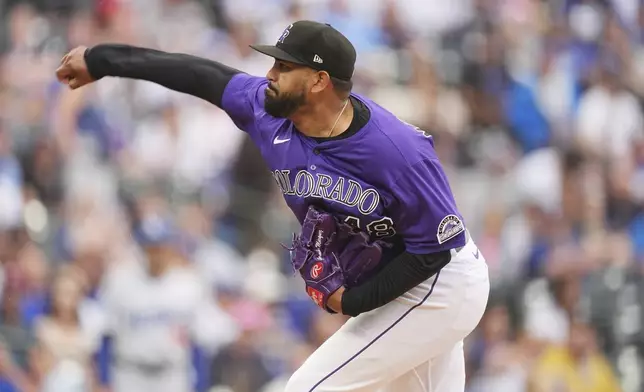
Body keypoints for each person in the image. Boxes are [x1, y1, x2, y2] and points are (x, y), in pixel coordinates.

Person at [56, 20, 490, 392]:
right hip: (406, 281)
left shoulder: (397, 150)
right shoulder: (266, 110)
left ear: (319, 81)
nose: (269, 74)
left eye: (284, 66)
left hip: (443, 282)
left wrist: (353, 301)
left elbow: (434, 249)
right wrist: (103, 59)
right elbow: (198, 74)